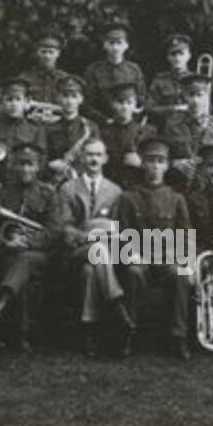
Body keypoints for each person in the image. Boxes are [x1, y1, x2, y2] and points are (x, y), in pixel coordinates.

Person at [56, 137, 135, 356]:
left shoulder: (115, 191)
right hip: (76, 251)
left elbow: (119, 229)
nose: (94, 159)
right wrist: (87, 235)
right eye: (90, 154)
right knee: (95, 252)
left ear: (106, 159)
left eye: (98, 155)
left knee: (91, 270)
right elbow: (64, 227)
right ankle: (117, 303)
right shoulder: (68, 189)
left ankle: (88, 332)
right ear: (81, 157)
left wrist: (106, 232)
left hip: (104, 256)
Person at [122, 138, 194, 360]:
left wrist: (187, 261)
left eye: (160, 161)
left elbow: (185, 235)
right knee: (133, 272)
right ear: (142, 164)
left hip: (166, 259)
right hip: (139, 258)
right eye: (150, 161)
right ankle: (128, 334)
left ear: (167, 165)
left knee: (180, 273)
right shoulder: (128, 198)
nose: (155, 166)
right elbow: (122, 235)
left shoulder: (176, 198)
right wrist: (131, 254)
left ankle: (178, 338)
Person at [0, 144, 61, 349]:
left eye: (30, 164)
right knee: (18, 268)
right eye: (21, 164)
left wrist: (28, 242)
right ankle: (20, 335)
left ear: (37, 167)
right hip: (9, 251)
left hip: (40, 255)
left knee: (25, 260)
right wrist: (5, 242)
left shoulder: (48, 194)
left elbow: (54, 232)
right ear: (14, 166)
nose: (25, 169)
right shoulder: (3, 194)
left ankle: (1, 304)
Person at [153, 71, 213, 191]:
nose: (195, 101)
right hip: (178, 187)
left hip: (208, 191)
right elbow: (160, 157)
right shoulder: (171, 125)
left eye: (200, 95)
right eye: (191, 95)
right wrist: (176, 163)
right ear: (184, 97)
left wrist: (210, 166)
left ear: (207, 96)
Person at [83, 21, 147, 123]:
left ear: (126, 46)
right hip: (103, 123)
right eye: (111, 43)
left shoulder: (134, 69)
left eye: (119, 43)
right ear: (104, 45)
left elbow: (141, 100)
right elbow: (88, 104)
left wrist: (133, 118)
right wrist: (104, 119)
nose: (115, 48)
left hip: (129, 123)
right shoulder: (94, 70)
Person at [97, 83, 152, 191]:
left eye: (129, 103)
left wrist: (140, 163)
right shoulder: (104, 132)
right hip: (110, 186)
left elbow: (155, 165)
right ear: (113, 104)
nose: (125, 107)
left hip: (139, 187)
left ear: (135, 105)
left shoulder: (147, 131)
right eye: (120, 102)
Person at [45, 74, 98, 182]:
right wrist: (51, 165)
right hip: (56, 179)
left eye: (74, 96)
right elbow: (44, 157)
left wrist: (75, 171)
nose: (69, 101)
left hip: (84, 180)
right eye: (65, 96)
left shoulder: (90, 127)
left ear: (81, 99)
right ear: (58, 98)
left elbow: (97, 158)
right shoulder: (49, 128)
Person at [19, 28, 72, 106]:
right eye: (43, 51)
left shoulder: (66, 79)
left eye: (51, 52)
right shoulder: (25, 78)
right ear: (37, 52)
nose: (47, 56)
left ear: (58, 54)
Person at [147, 33, 194, 121]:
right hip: (166, 129)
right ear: (168, 57)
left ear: (189, 56)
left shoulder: (196, 80)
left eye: (181, 54)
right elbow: (149, 108)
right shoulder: (160, 80)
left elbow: (208, 109)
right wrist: (175, 108)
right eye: (173, 54)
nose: (177, 58)